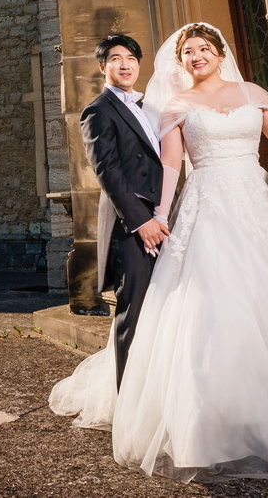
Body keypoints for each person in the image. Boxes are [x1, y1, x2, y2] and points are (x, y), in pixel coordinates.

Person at [50, 22, 268, 480]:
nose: (196, 56)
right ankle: (206, 423)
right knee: (208, 305)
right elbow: (172, 164)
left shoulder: (253, 92)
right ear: (182, 62)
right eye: (188, 52)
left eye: (203, 49)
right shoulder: (176, 105)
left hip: (257, 205)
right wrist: (156, 217)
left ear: (220, 53)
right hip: (207, 204)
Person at [77, 34, 169, 392]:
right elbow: (108, 172)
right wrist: (141, 221)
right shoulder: (97, 110)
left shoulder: (148, 108)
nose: (125, 64)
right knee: (133, 308)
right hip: (131, 225)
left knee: (161, 307)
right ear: (103, 67)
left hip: (161, 218)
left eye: (131, 57)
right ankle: (127, 399)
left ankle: (156, 391)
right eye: (116, 58)